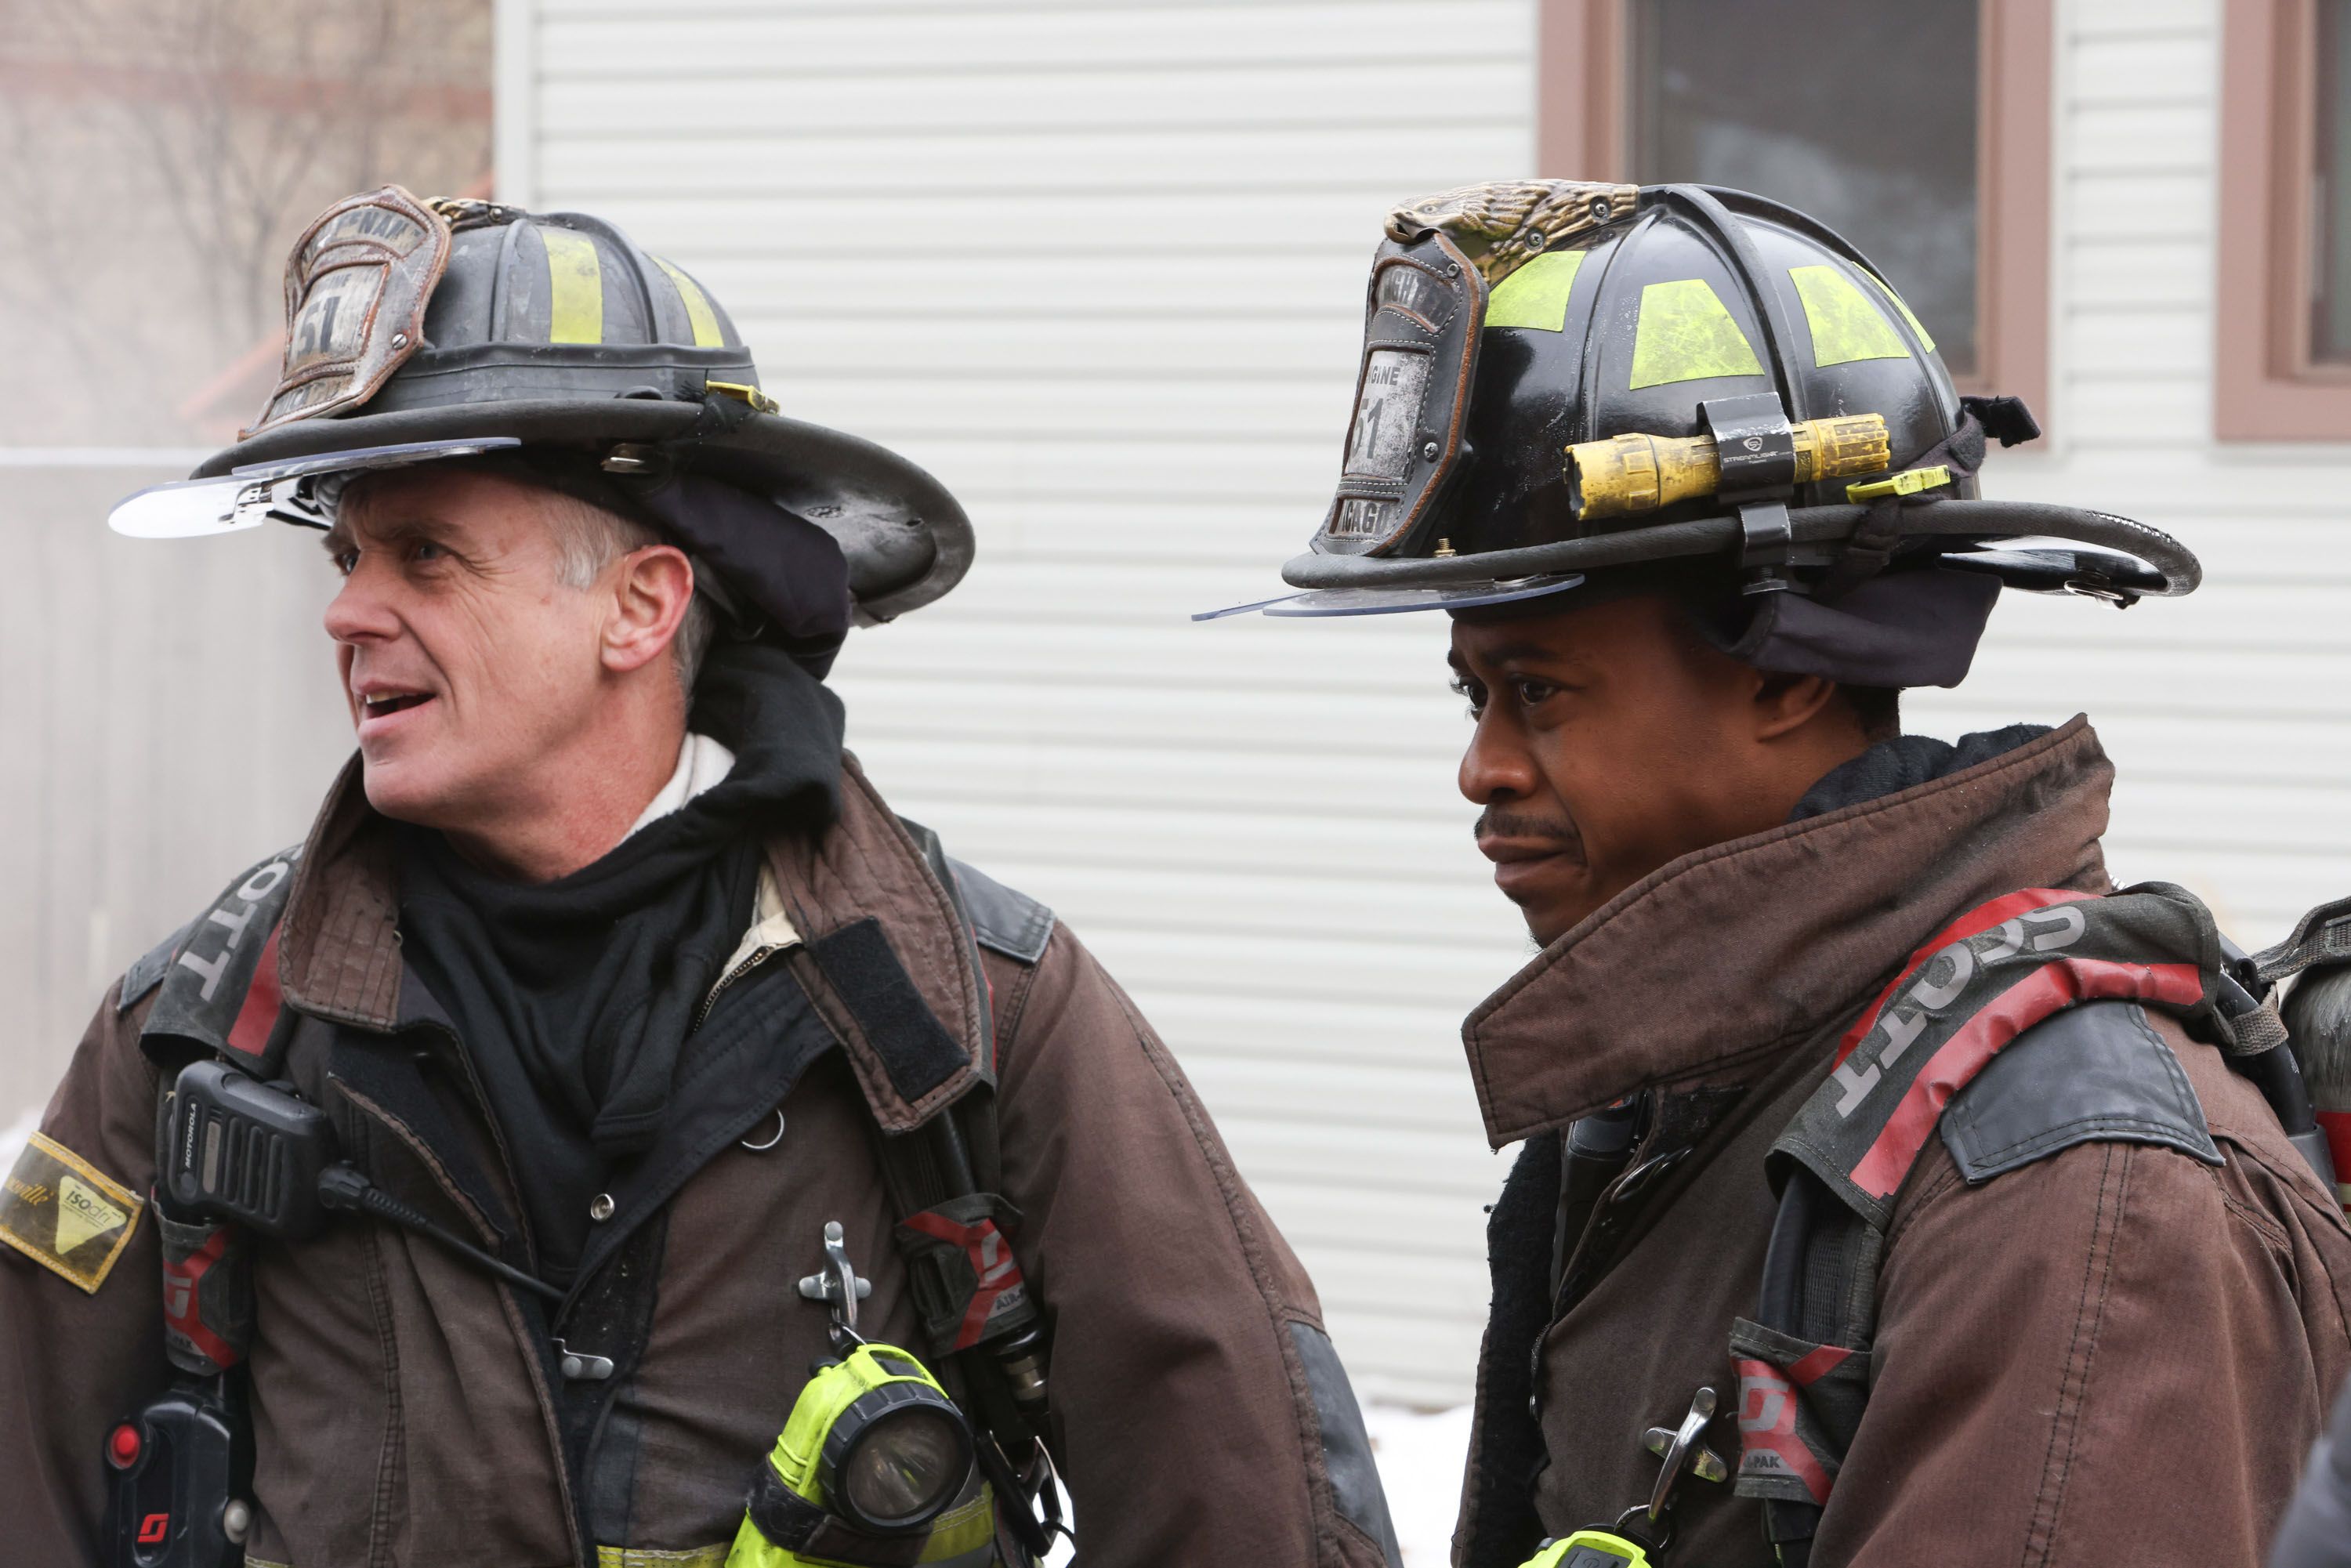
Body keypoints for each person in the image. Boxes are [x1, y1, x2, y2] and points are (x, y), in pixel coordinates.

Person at [0, 187, 1402, 1568]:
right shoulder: (197, 1036)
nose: (347, 608)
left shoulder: (965, 1016)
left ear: (641, 605)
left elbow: (1255, 1502)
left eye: (426, 555)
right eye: (352, 551)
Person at [1206, 179, 2351, 1566]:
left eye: (1544, 692)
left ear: (1792, 670)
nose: (1485, 768)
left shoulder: (2077, 1187)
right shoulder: (1706, 1093)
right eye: (1475, 701)